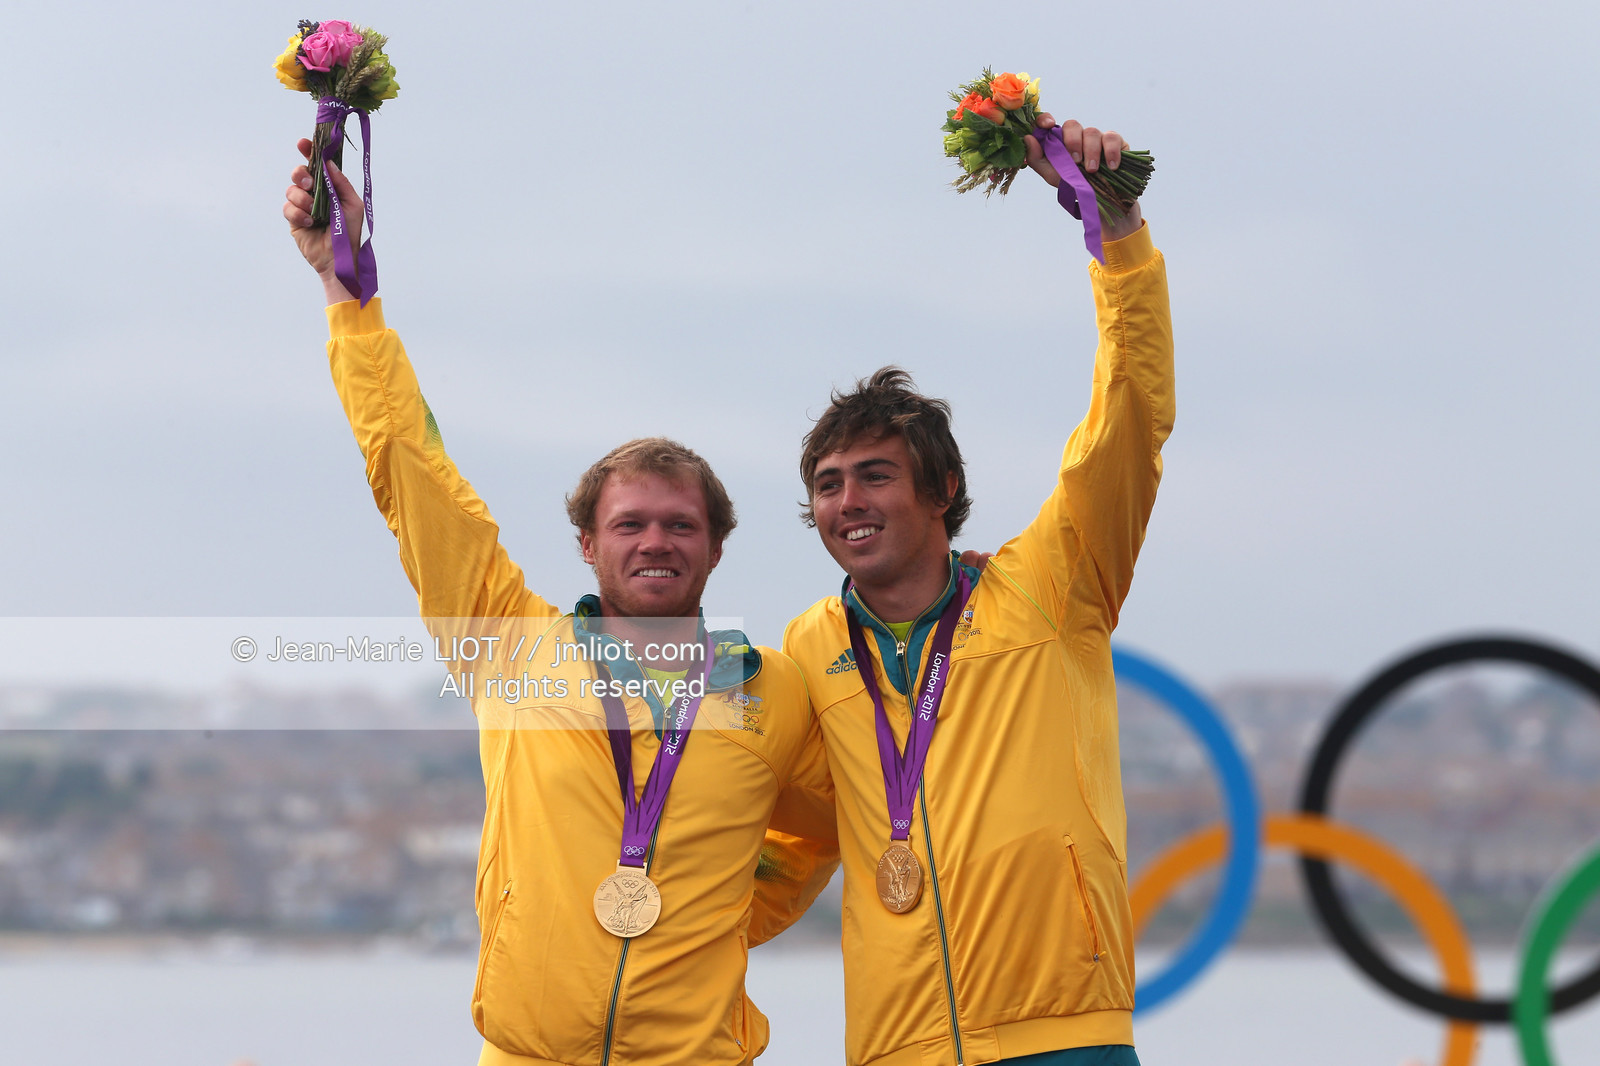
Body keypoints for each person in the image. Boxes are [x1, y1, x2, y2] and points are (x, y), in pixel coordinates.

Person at [281, 141, 837, 1066]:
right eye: (629, 525)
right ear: (587, 544)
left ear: (717, 547)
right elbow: (413, 473)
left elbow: (833, 825)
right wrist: (348, 298)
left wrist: (723, 913)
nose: (655, 542)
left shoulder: (770, 691)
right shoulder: (508, 643)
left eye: (680, 525)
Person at [780, 115, 1173, 1066]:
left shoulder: (1054, 583)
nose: (846, 502)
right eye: (828, 485)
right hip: (897, 1044)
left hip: (1064, 1035)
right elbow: (794, 834)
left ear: (942, 489)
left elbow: (1128, 419)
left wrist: (1119, 240)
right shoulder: (806, 649)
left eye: (874, 476)